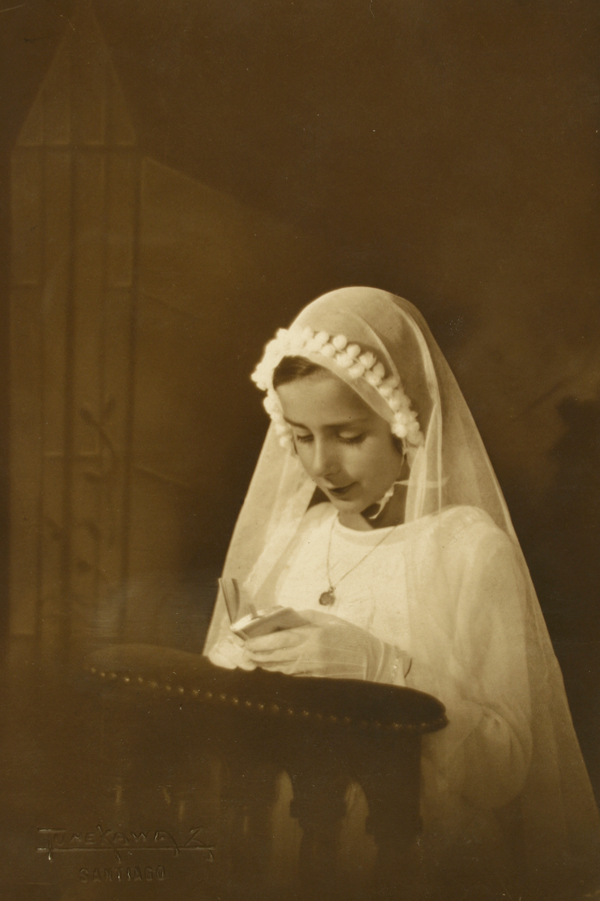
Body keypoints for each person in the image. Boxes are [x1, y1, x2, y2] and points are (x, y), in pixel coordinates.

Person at [203, 286, 600, 899]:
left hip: (418, 860)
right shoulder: (293, 538)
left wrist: (383, 666)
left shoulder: (468, 549)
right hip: (292, 843)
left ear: (404, 422)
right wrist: (240, 670)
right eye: (302, 436)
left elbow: (503, 773)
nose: (322, 465)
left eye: (348, 435)